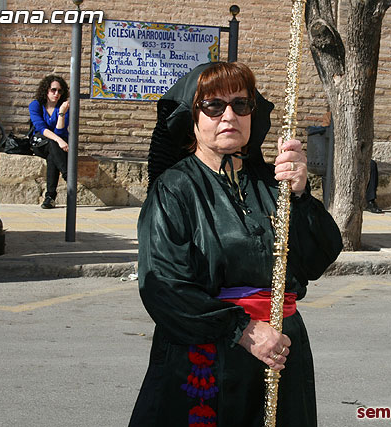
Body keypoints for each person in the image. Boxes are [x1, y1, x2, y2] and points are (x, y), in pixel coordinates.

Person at [129, 62, 343, 427]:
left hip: (281, 351)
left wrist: (301, 195)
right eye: (213, 106)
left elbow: (315, 261)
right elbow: (163, 286)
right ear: (193, 118)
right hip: (209, 355)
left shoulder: (271, 185)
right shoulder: (174, 189)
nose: (229, 115)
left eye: (240, 105)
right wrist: (243, 330)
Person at [28, 75, 69, 209]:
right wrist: (58, 140)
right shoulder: (36, 105)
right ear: (46, 90)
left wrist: (62, 113)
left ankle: (50, 197)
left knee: (52, 156)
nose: (56, 94)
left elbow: (60, 132)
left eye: (60, 91)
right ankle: (68, 175)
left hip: (56, 147)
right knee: (52, 143)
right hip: (41, 143)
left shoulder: (63, 107)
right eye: (53, 90)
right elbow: (41, 128)